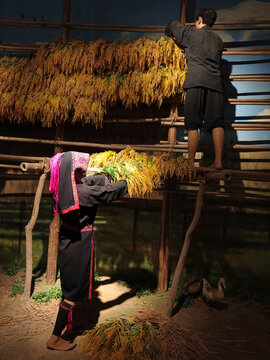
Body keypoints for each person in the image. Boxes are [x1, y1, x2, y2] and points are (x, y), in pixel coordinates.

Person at [46, 151, 128, 351]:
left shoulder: (64, 188)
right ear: (75, 171)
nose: (84, 171)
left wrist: (103, 177)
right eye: (81, 169)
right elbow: (106, 193)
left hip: (69, 240)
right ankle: (55, 337)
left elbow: (93, 182)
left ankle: (73, 324)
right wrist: (126, 180)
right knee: (72, 291)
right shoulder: (82, 193)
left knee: (71, 284)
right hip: (79, 244)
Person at [165, 8, 225, 169]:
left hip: (196, 82)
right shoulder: (218, 40)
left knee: (193, 124)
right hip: (215, 84)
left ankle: (190, 162)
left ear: (199, 20)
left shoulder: (191, 34)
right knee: (217, 122)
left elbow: (172, 26)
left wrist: (172, 34)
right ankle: (218, 162)